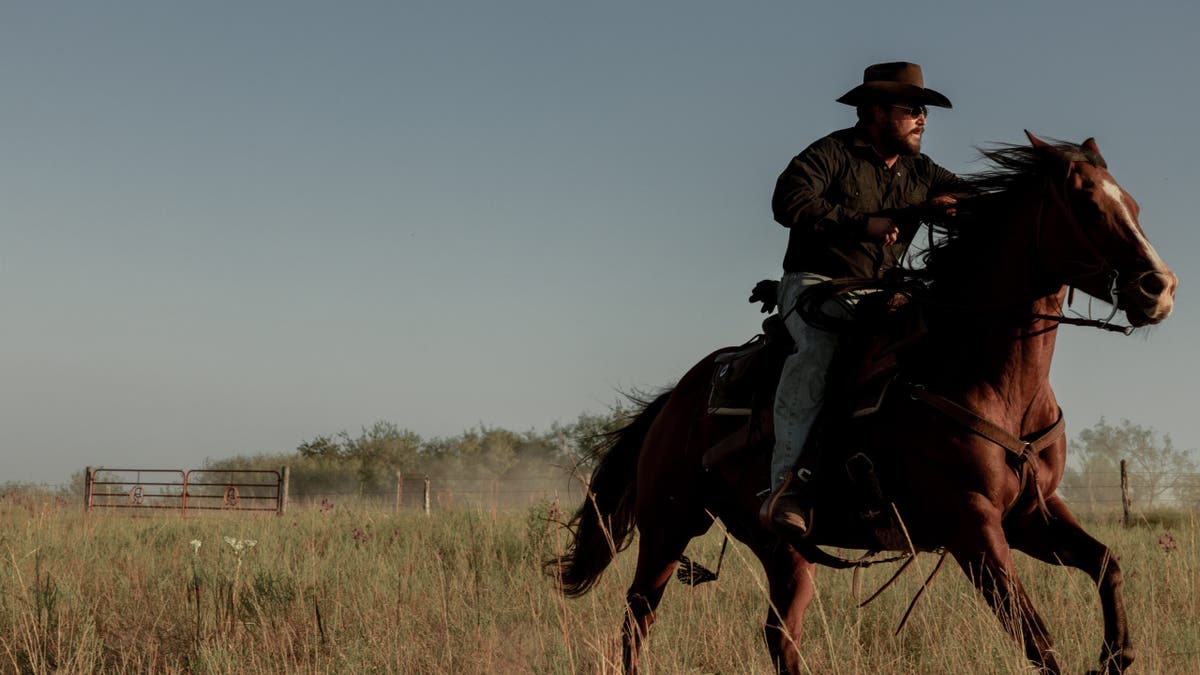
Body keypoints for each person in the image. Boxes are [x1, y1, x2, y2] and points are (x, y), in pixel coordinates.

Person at [760, 62, 959, 540]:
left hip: (887, 292)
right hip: (815, 284)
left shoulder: (922, 171)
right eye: (912, 109)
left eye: (924, 111)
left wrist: (962, 206)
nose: (923, 119)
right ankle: (786, 486)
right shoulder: (830, 153)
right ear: (874, 112)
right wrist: (860, 223)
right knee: (818, 353)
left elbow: (967, 198)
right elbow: (788, 200)